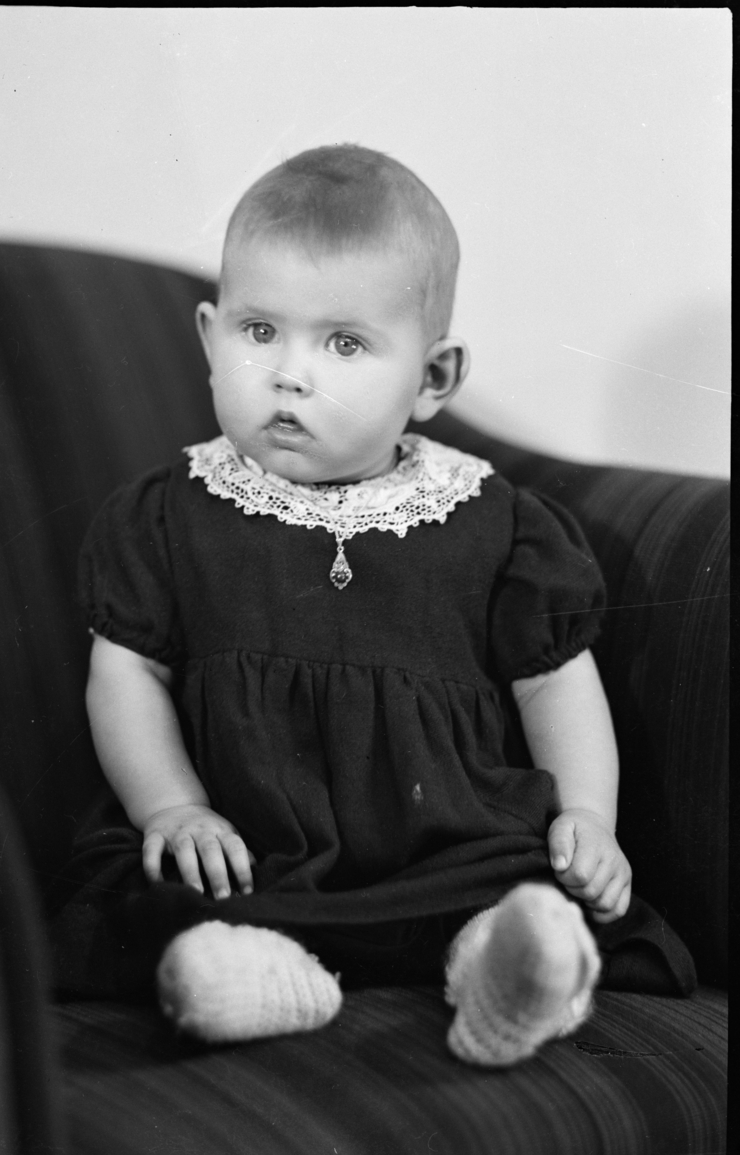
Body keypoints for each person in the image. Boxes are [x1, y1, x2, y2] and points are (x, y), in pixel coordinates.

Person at [51, 144, 695, 1068]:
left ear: (432, 379)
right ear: (208, 335)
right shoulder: (164, 512)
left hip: (447, 848)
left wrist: (587, 818)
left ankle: (499, 970)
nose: (289, 374)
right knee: (159, 889)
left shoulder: (497, 522)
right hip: (250, 851)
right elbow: (126, 675)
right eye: (259, 330)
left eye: (343, 344)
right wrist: (173, 808)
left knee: (523, 885)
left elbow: (554, 683)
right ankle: (262, 977)